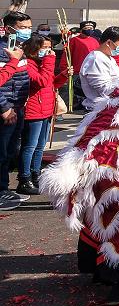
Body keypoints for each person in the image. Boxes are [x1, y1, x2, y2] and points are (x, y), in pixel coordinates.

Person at [17, 33, 67, 195]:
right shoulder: (28, 64)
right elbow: (41, 82)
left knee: (40, 147)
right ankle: (24, 178)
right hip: (33, 111)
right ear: (33, 49)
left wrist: (64, 76)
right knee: (30, 146)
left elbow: (51, 84)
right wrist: (50, 61)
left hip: (46, 110)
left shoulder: (43, 63)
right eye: (44, 48)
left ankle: (35, 173)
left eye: (49, 48)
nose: (48, 51)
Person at [0, 11, 33, 202]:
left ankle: (4, 188)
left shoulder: (20, 49)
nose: (27, 31)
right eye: (22, 28)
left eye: (29, 27)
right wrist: (4, 108)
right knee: (2, 152)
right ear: (10, 28)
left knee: (10, 151)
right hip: (7, 108)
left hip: (18, 106)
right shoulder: (4, 50)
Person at [78, 27, 119, 111]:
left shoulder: (108, 57)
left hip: (110, 107)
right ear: (109, 42)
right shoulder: (97, 59)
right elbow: (104, 89)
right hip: (99, 110)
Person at [68, 22, 100, 112]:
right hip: (77, 70)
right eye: (87, 27)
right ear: (81, 29)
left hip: (91, 70)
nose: (89, 29)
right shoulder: (74, 40)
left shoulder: (95, 41)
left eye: (91, 27)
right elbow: (68, 54)